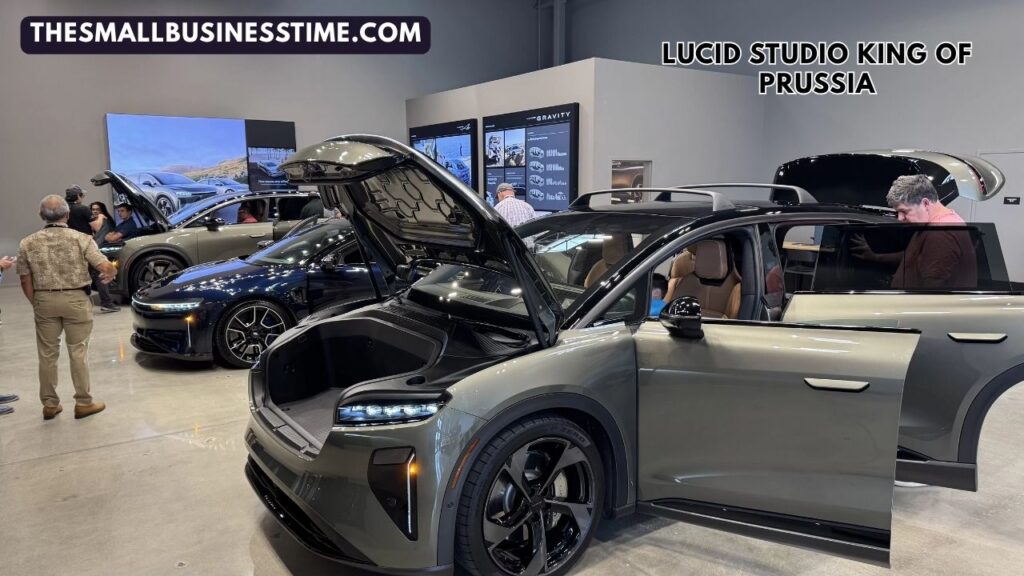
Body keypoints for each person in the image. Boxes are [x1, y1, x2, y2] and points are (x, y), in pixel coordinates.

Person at [17, 195, 115, 420]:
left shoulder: (27, 243)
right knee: (78, 351)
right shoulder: (82, 239)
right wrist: (112, 272)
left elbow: (24, 278)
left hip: (44, 299)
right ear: (67, 215)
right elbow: (104, 266)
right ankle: (83, 402)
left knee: (47, 354)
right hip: (76, 299)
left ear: (41, 215)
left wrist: (36, 302)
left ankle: (50, 404)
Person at [851, 174, 976, 289]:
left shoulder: (939, 233)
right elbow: (914, 257)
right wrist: (875, 257)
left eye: (904, 211)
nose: (900, 218)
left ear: (925, 203)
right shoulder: (931, 223)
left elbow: (932, 292)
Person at [89, 201, 119, 312]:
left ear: (102, 210)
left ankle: (107, 302)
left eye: (97, 209)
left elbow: (100, 240)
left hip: (97, 252)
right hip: (93, 252)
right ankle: (107, 303)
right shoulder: (94, 221)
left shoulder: (104, 221)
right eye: (93, 209)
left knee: (99, 276)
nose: (95, 211)